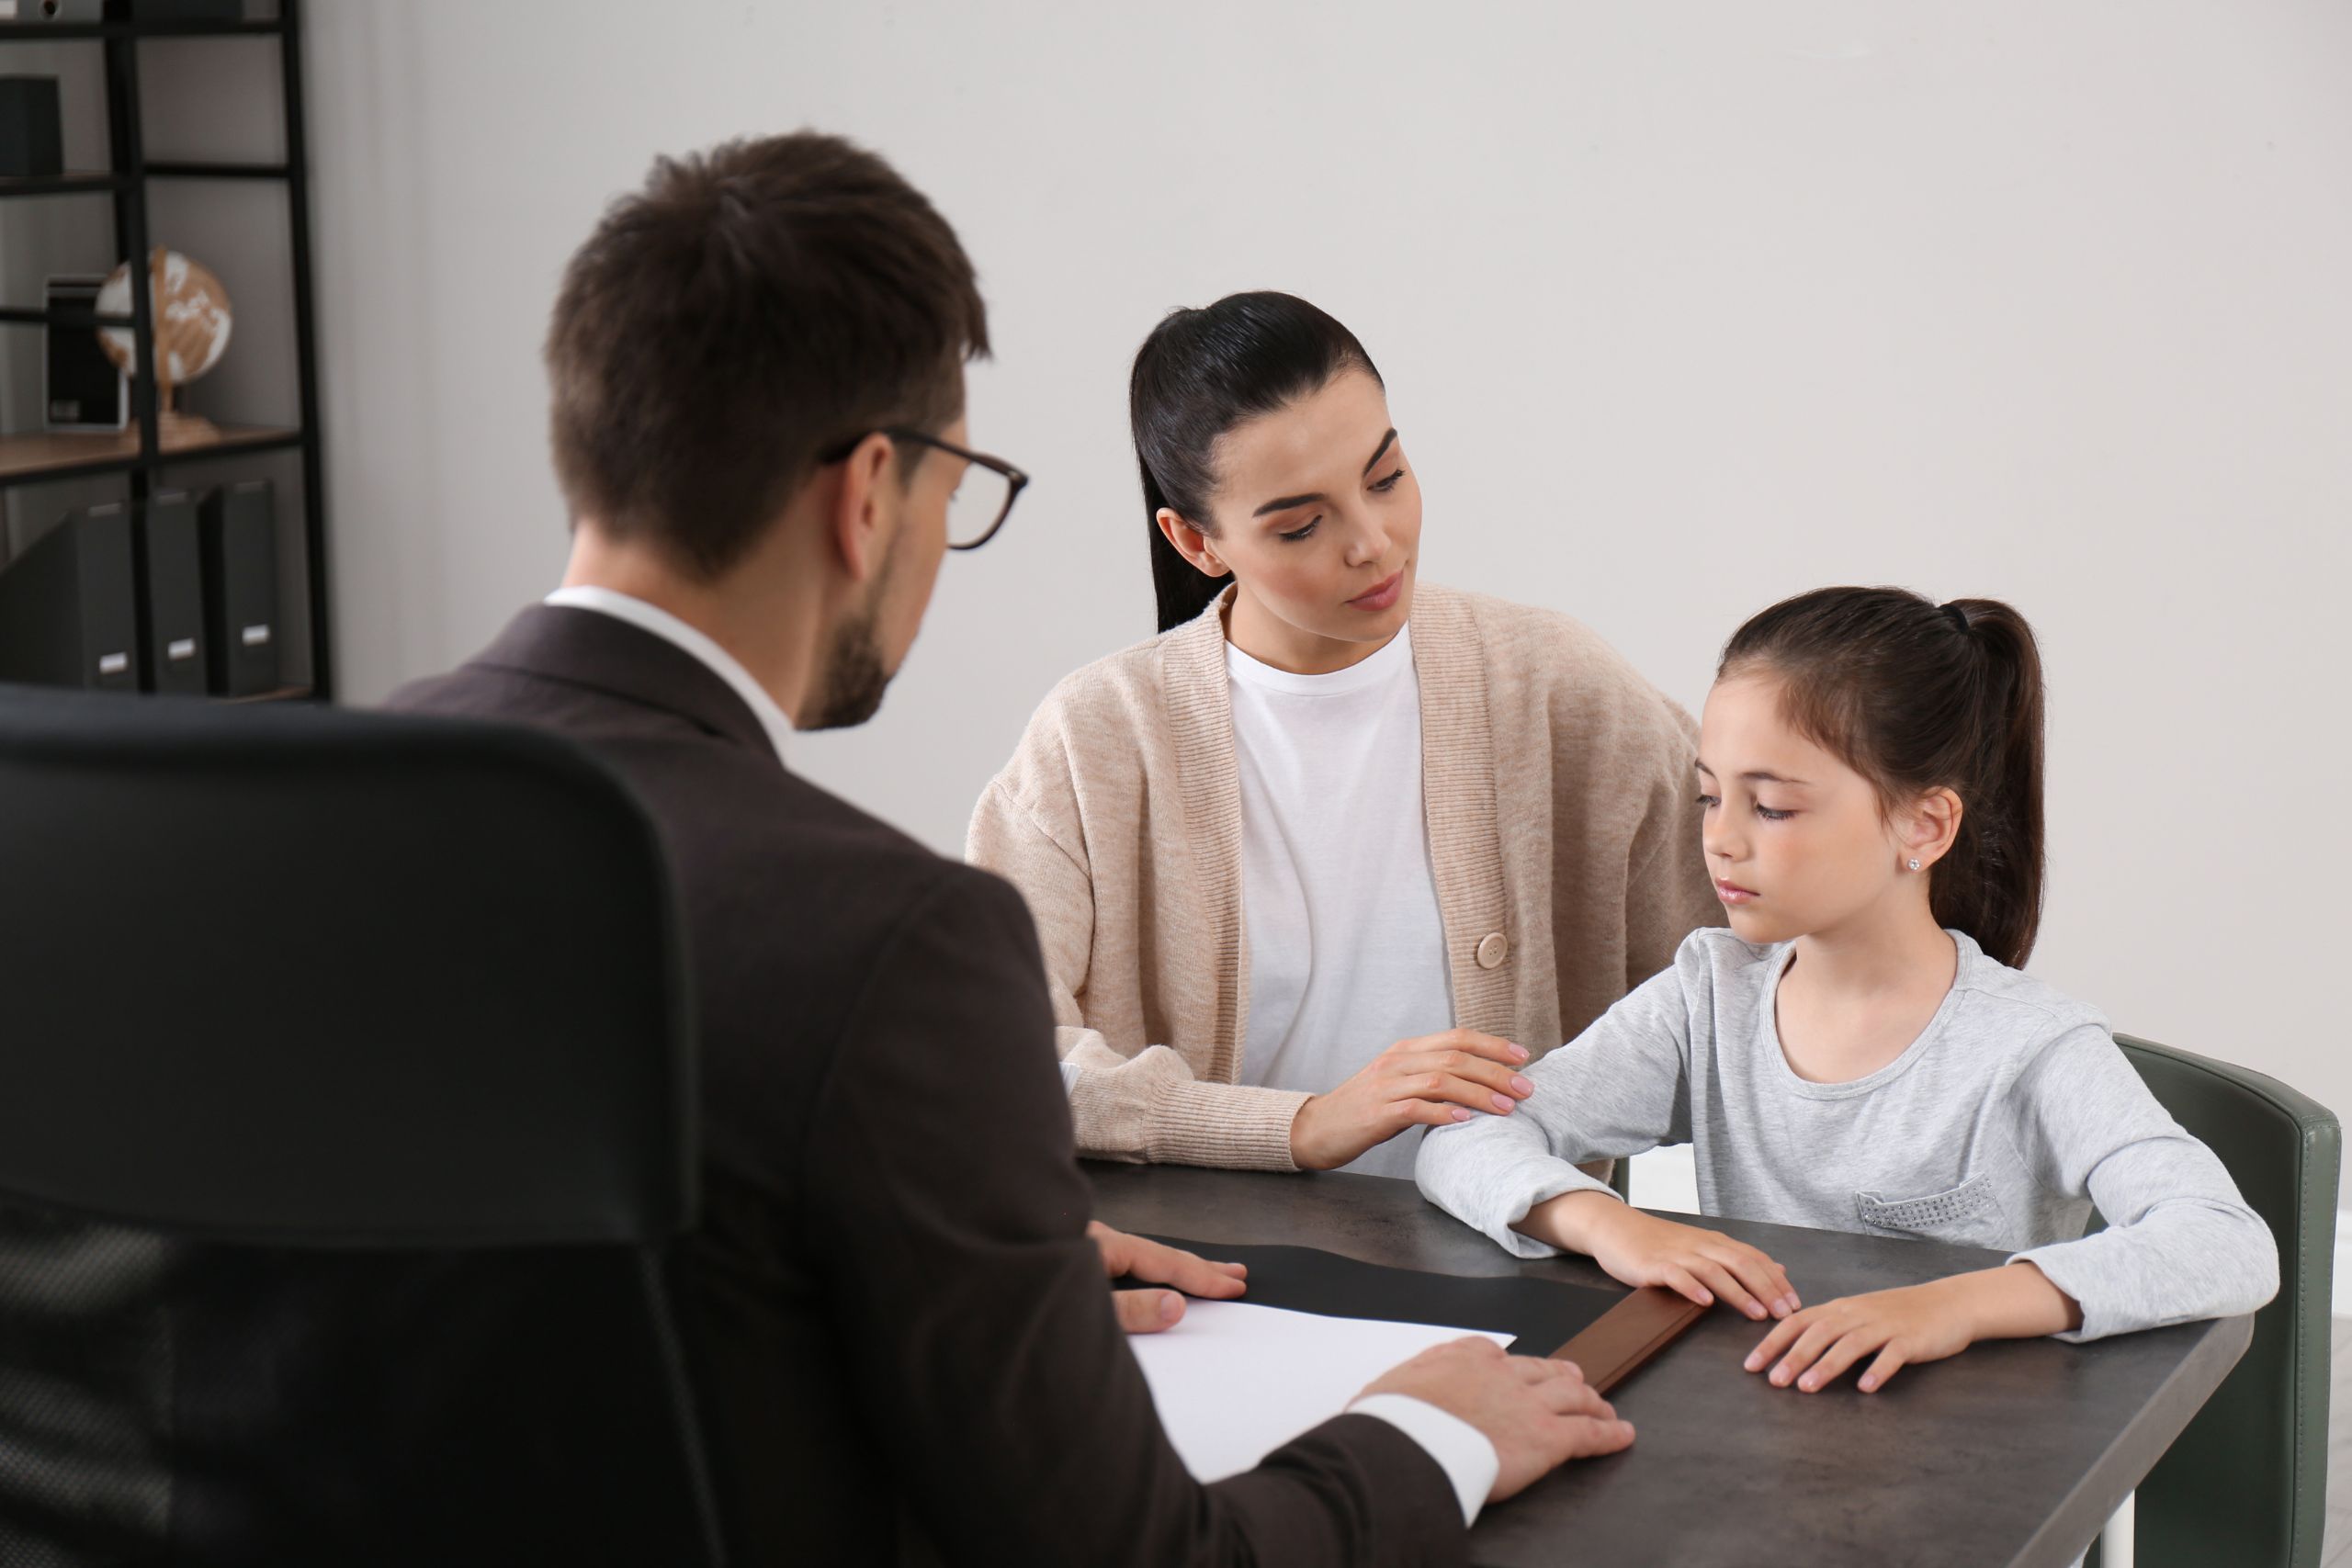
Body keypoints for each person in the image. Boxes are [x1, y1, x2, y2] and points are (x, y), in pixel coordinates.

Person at [389, 132, 1632, 1566]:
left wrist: (928, 1264)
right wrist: (1433, 1428)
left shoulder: (265, 822)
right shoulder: (891, 925)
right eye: (957, 492)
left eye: (1388, 474)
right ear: (872, 495)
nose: (1368, 542)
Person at [1416, 586, 2278, 1393]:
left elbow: (2226, 1242)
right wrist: (1614, 1225)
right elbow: (1466, 1138)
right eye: (1711, 796)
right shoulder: (1707, 996)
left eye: (1773, 808)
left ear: (1924, 824)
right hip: (1764, 1423)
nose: (1720, 840)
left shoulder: (2031, 1047)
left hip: (1974, 1462)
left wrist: (1953, 1303)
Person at [968, 292, 1719, 1179]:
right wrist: (1299, 1125)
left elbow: (1751, 981)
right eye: (1301, 524)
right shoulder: (1095, 741)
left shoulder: (1559, 687)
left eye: (1386, 477)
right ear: (1196, 541)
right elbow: (988, 1049)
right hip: (1210, 1285)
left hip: (1517, 1270)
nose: (1374, 542)